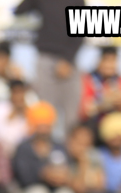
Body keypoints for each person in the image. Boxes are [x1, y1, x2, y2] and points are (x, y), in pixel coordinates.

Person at [14, 0, 85, 141]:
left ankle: (70, 150)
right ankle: (47, 148)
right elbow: (19, 11)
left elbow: (82, 29)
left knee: (71, 114)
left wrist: (67, 59)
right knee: (45, 111)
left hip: (69, 61)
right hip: (45, 58)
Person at [13, 102, 76, 193]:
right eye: (40, 125)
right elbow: (23, 177)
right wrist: (44, 174)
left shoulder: (59, 146)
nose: (43, 130)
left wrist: (62, 177)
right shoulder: (24, 148)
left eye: (46, 125)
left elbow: (68, 170)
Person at [79, 46, 121, 127]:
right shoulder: (88, 80)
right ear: (99, 61)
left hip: (115, 124)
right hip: (93, 124)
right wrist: (102, 103)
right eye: (106, 60)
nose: (109, 65)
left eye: (113, 61)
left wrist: (120, 104)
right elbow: (83, 111)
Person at [0, 79, 34, 157]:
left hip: (25, 154)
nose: (18, 96)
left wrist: (27, 113)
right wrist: (13, 113)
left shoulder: (31, 110)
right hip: (3, 154)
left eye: (21, 92)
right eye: (15, 92)